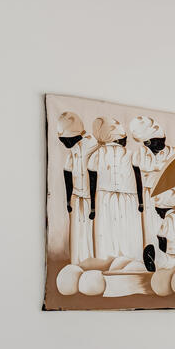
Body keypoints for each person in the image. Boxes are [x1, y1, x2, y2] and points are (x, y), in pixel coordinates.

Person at [87, 116, 143, 261]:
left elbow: (92, 181)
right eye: (124, 137)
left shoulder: (97, 155)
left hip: (104, 197)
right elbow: (138, 178)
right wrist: (141, 200)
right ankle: (130, 260)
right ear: (118, 139)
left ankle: (107, 261)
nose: (126, 140)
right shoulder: (130, 154)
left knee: (107, 230)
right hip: (128, 197)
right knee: (127, 230)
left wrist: (92, 205)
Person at [131, 116, 172, 267]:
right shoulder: (139, 154)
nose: (162, 143)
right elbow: (138, 178)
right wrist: (141, 200)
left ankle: (167, 262)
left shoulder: (171, 153)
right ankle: (151, 259)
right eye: (158, 141)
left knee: (166, 229)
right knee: (150, 229)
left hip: (167, 193)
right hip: (148, 194)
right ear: (147, 142)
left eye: (163, 139)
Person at [56, 111, 95, 265]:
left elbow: (95, 174)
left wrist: (94, 204)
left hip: (91, 197)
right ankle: (78, 263)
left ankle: (90, 263)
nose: (64, 144)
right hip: (77, 196)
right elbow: (67, 171)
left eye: (65, 140)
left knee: (90, 232)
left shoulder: (92, 145)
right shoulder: (73, 149)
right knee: (78, 232)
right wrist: (67, 199)